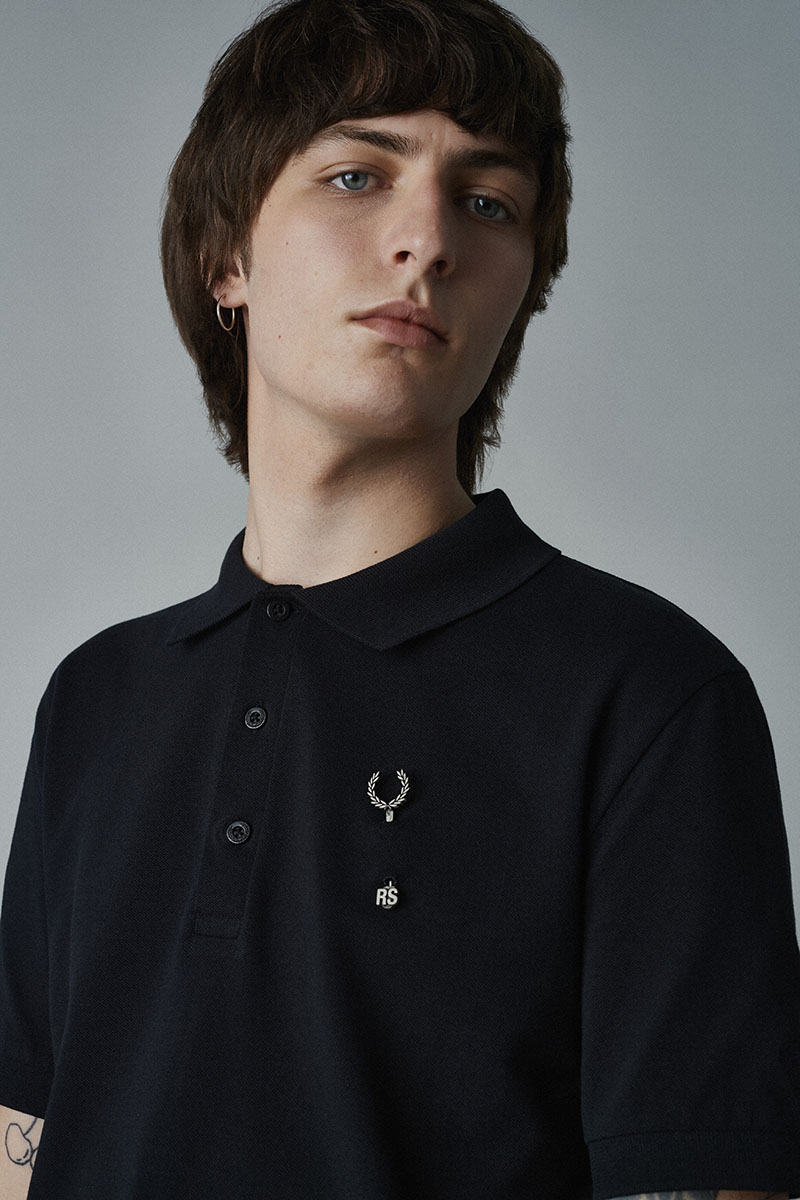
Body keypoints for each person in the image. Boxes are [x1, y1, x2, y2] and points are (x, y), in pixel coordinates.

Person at [1, 0, 798, 1196]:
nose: (425, 239)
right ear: (227, 260)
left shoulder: (648, 696)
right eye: (355, 176)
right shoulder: (94, 701)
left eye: (486, 202)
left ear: (520, 288)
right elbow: (24, 1136)